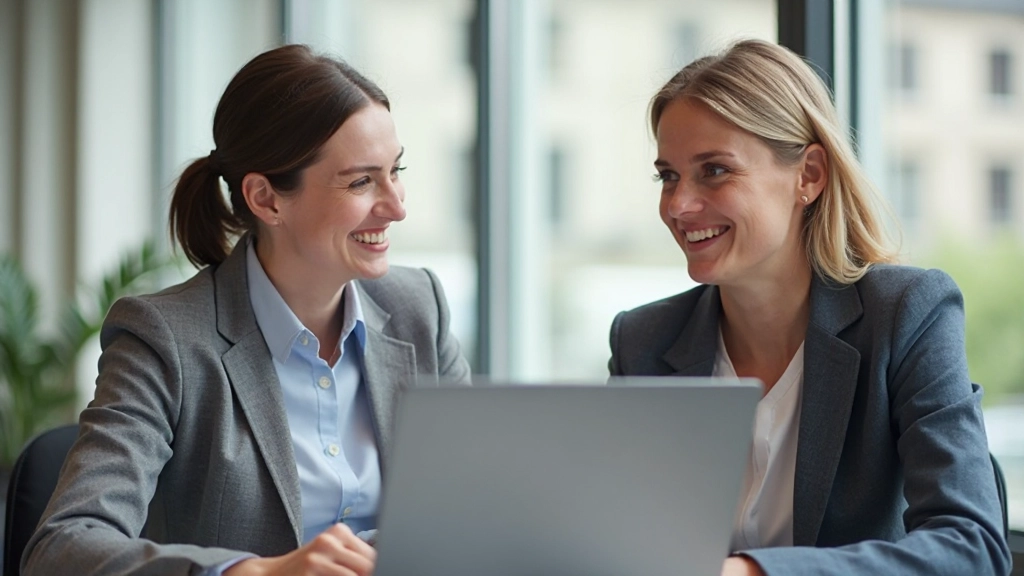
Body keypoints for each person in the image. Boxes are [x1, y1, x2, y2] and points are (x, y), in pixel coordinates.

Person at [23, 44, 470, 576]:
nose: (397, 206)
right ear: (266, 199)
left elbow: (469, 503)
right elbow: (63, 546)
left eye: (394, 171)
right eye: (360, 181)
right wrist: (255, 572)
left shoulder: (420, 308)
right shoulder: (165, 339)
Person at [608, 39, 1011, 576]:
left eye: (715, 171)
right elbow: (613, 537)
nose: (679, 205)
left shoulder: (907, 315)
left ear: (809, 175)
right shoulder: (643, 341)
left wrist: (752, 572)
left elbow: (971, 548)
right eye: (668, 176)